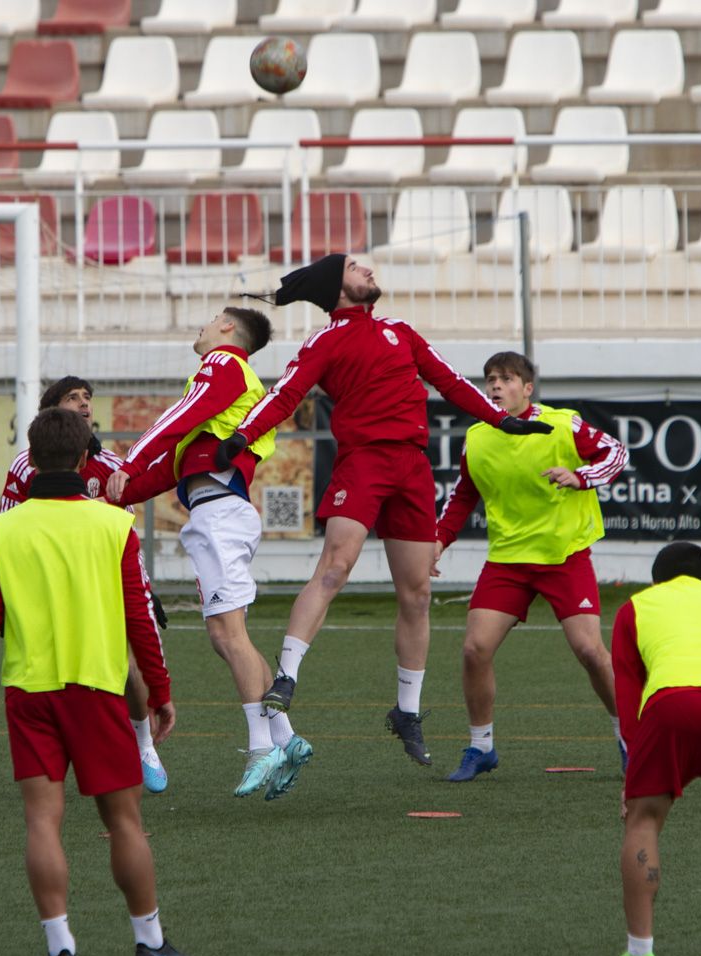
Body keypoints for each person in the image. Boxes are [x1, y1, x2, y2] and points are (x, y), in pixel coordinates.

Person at [214, 254, 552, 766]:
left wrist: (501, 421)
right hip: (364, 464)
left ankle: (407, 712)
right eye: (354, 266)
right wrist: (241, 435)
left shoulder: (401, 331)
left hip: (411, 468)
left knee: (417, 594)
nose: (367, 269)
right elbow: (284, 397)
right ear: (337, 286)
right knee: (335, 568)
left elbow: (451, 383)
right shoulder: (324, 341)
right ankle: (286, 676)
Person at [0, 407, 189, 956]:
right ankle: (149, 942)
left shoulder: (0, 530)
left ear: (30, 460)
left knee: (41, 822)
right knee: (125, 822)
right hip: (98, 689)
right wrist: (160, 690)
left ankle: (60, 949)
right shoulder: (113, 525)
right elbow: (139, 617)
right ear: (83, 459)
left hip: (29, 692)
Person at [105, 307, 312, 800]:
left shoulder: (222, 365)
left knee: (226, 634)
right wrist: (116, 491)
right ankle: (286, 737)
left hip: (219, 514)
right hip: (220, 512)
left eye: (211, 317)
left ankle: (262, 747)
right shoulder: (233, 389)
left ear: (227, 329)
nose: (200, 325)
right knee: (228, 636)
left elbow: (179, 419)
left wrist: (129, 463)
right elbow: (172, 467)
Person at [433, 351, 628, 781]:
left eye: (505, 379)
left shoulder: (562, 423)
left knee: (590, 652)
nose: (495, 386)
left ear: (527, 387)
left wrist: (582, 477)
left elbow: (616, 453)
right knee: (474, 649)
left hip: (564, 556)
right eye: (489, 379)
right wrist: (438, 541)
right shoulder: (479, 436)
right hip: (508, 561)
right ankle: (481, 746)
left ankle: (627, 736)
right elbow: (464, 495)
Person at [0, 375, 169, 794]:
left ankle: (145, 745)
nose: (84, 404)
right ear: (50, 411)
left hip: (98, 586)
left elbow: (124, 537)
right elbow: (5, 528)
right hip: (45, 587)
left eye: (87, 397)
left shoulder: (113, 467)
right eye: (72, 397)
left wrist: (144, 589)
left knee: (128, 668)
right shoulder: (24, 468)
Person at [596, 541, 701, 956]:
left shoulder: (636, 607)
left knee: (644, 822)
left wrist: (632, 773)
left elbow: (628, 693)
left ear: (657, 579)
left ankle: (639, 953)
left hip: (671, 707)